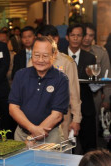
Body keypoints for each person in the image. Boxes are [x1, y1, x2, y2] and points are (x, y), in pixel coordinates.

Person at [9, 36, 69, 143]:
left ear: (54, 55)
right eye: (36, 55)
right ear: (31, 55)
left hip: (50, 136)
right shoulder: (20, 75)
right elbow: (13, 108)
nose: (40, 60)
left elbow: (57, 115)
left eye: (45, 56)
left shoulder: (61, 79)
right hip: (22, 135)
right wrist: (33, 129)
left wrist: (33, 136)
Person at [34, 25, 81, 140]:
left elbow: (74, 93)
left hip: (61, 119)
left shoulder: (66, 62)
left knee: (59, 153)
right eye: (39, 40)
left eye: (45, 40)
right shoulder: (33, 62)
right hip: (36, 118)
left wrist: (76, 119)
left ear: (55, 39)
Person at [62, 24, 96, 154]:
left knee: (89, 146)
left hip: (86, 105)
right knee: (67, 146)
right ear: (67, 37)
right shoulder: (60, 56)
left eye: (79, 35)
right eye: (73, 35)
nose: (76, 38)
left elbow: (92, 80)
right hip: (65, 107)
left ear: (83, 38)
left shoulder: (90, 57)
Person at [81, 23, 110, 111]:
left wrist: (107, 99)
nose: (87, 38)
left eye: (91, 35)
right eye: (85, 34)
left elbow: (107, 76)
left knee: (94, 123)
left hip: (95, 95)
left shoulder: (101, 52)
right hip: (75, 95)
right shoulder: (73, 51)